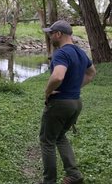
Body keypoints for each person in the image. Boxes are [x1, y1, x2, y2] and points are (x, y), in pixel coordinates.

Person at [40, 20, 96, 184]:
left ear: (59, 34)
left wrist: (47, 91)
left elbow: (58, 76)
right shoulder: (80, 52)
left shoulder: (61, 53)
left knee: (47, 141)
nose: (50, 37)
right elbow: (91, 73)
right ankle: (74, 175)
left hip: (60, 103)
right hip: (75, 102)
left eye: (51, 33)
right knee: (60, 137)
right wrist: (73, 88)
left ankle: (49, 181)